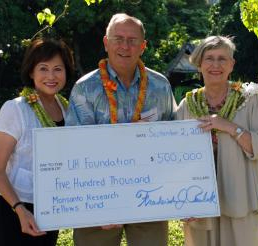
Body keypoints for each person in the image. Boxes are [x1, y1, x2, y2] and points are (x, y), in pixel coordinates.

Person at [66, 13, 176, 246]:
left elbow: (174, 138)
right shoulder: (85, 89)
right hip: (98, 199)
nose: (125, 46)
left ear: (143, 46)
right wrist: (96, 205)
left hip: (150, 195)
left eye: (132, 40)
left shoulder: (160, 86)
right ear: (106, 43)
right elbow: (73, 149)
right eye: (118, 39)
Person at [176, 36, 258, 246]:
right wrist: (180, 201)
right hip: (199, 203)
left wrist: (229, 127)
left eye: (222, 59)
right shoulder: (188, 104)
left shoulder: (249, 101)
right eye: (209, 58)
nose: (215, 65)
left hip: (242, 201)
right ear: (199, 63)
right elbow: (175, 159)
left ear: (232, 65)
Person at [0, 38, 74, 246]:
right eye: (43, 68)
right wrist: (20, 209)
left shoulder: (67, 109)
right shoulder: (15, 109)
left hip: (50, 207)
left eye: (58, 69)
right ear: (31, 72)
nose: (51, 76)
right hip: (14, 209)